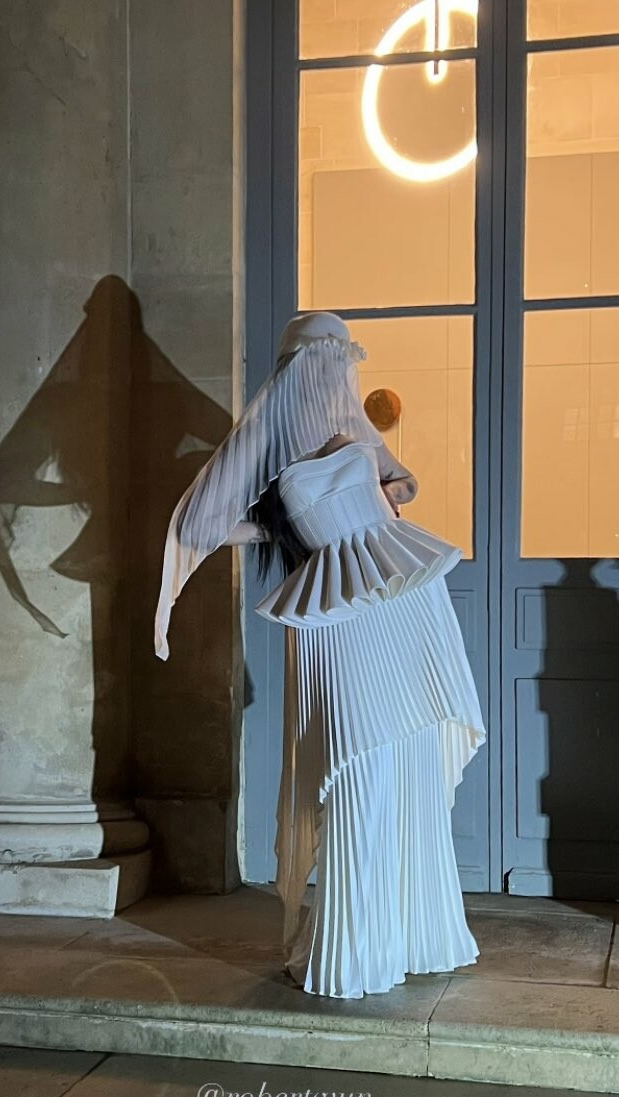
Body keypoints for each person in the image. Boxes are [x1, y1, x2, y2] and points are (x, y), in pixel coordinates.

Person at [155, 311, 486, 999]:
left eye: (344, 360)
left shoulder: (352, 426)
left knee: (408, 756)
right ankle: (356, 948)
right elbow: (199, 522)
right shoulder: (264, 438)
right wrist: (281, 524)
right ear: (301, 366)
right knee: (357, 760)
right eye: (330, 360)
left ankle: (417, 935)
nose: (340, 373)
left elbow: (404, 484)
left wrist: (374, 501)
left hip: (402, 596)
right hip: (335, 610)